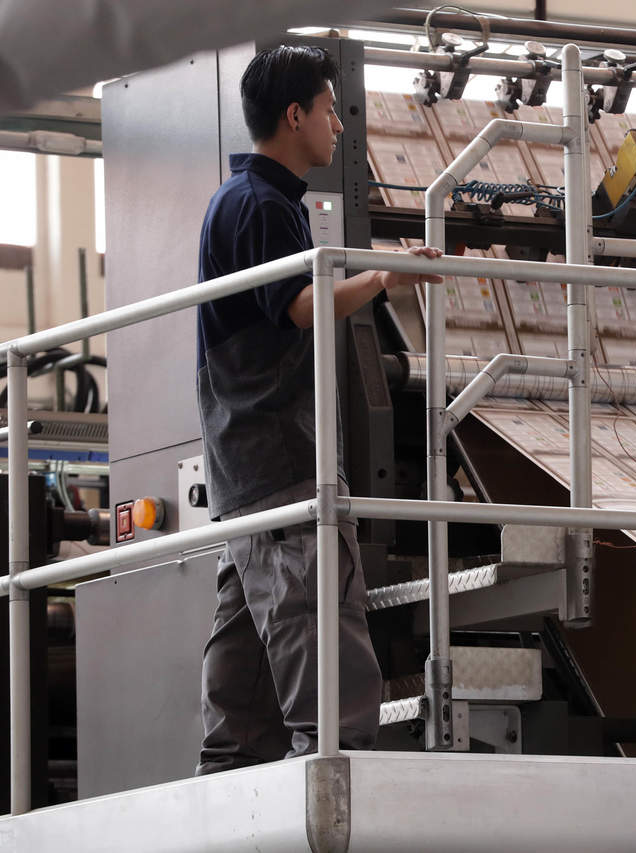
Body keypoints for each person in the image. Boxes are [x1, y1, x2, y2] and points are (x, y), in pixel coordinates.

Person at [194, 44, 444, 774]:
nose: (338, 125)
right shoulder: (261, 205)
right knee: (321, 642)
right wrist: (384, 276)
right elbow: (302, 306)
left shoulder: (252, 200)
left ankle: (227, 788)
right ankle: (338, 785)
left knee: (243, 672)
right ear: (294, 114)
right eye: (330, 110)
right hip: (280, 462)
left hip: (249, 468)